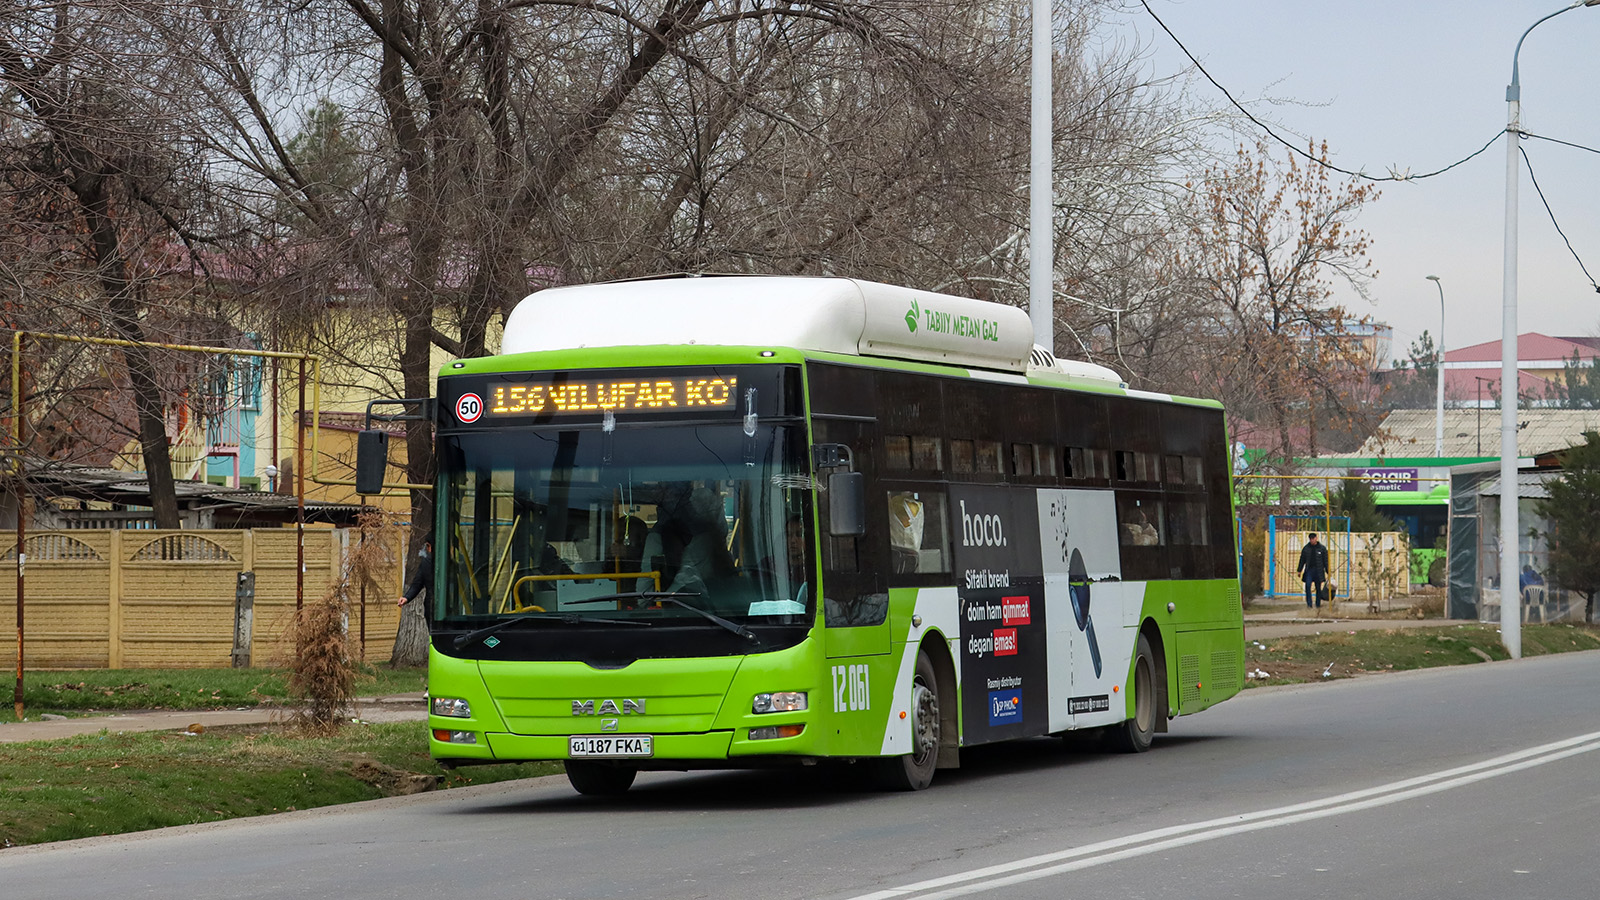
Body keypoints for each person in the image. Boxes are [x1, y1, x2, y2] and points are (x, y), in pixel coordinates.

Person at [397, 534, 434, 622]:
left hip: (432, 608)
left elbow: (417, 584)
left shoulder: (427, 562)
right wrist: (407, 597)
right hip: (432, 608)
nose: (428, 550)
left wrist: (407, 597)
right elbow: (418, 583)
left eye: (428, 546)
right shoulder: (426, 563)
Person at [1297, 533, 1330, 610]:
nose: (1312, 540)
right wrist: (1299, 570)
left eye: (1313, 538)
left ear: (1316, 538)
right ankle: (1309, 604)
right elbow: (1302, 560)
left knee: (1318, 588)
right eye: (1311, 539)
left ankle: (1318, 605)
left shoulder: (1322, 548)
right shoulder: (1306, 549)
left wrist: (1328, 571)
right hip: (1309, 570)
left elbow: (1325, 561)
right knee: (1307, 586)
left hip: (1318, 571)